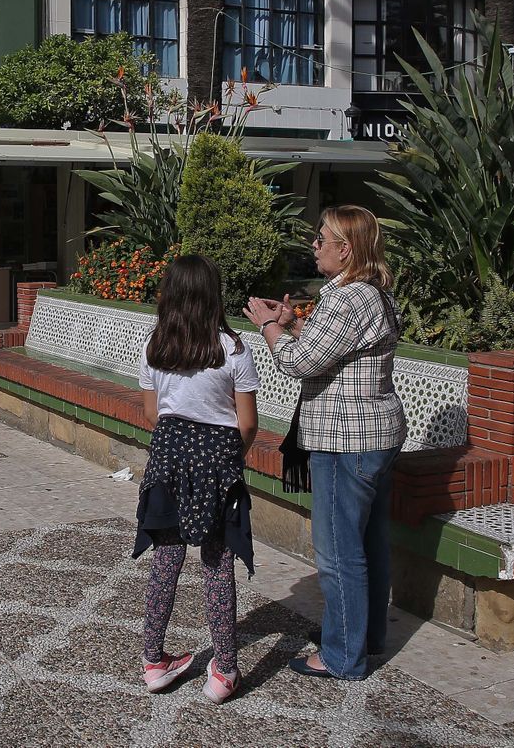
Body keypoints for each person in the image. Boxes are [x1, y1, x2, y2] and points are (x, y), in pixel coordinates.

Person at [243, 205, 405, 681]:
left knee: (338, 551)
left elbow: (302, 364)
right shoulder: (371, 293)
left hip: (345, 438)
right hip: (375, 433)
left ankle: (341, 655)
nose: (314, 246)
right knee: (369, 544)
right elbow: (336, 349)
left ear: (345, 248)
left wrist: (269, 328)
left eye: (321, 239)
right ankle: (365, 637)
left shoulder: (346, 298)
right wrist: (293, 321)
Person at [133, 254, 260, 704]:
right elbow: (246, 423)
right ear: (213, 294)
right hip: (217, 459)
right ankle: (224, 671)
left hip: (167, 456)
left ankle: (153, 661)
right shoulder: (233, 349)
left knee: (166, 557)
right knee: (216, 560)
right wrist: (228, 458)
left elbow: (152, 413)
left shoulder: (156, 345)